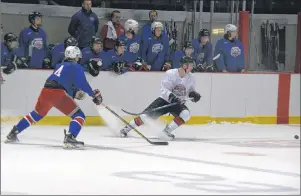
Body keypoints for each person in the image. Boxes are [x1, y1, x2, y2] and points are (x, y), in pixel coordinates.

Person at [4, 46, 103, 149]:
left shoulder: (60, 65)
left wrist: (74, 92)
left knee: (36, 115)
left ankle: (13, 132)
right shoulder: (76, 67)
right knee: (79, 116)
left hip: (46, 91)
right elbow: (82, 83)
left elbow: (64, 82)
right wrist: (93, 94)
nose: (79, 58)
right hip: (58, 94)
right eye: (78, 56)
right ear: (75, 56)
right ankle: (70, 137)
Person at [119, 56, 201, 140]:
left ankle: (166, 132)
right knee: (145, 117)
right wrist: (172, 97)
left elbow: (190, 91)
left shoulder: (191, 78)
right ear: (184, 66)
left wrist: (193, 95)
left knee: (185, 114)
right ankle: (126, 129)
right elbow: (164, 89)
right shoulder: (170, 73)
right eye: (190, 65)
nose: (192, 67)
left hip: (177, 103)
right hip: (164, 101)